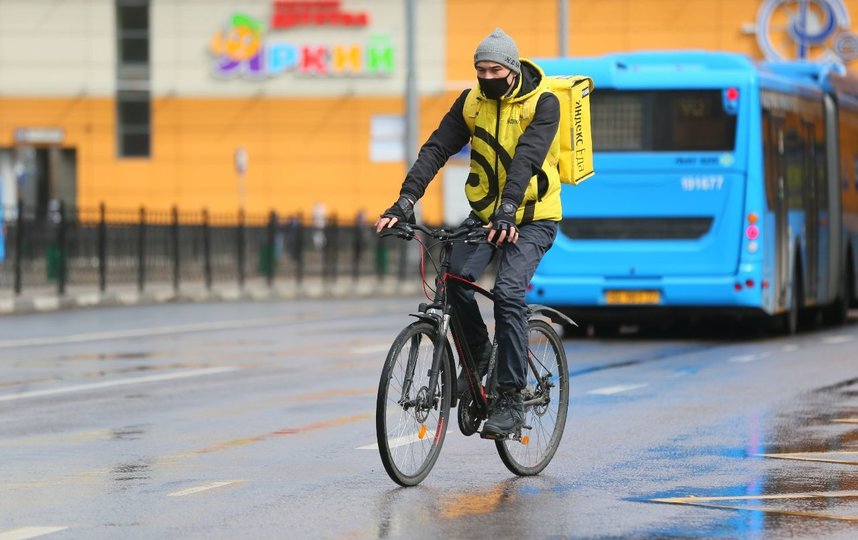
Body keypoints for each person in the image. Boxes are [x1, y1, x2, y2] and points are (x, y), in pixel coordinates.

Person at [375, 28, 562, 437]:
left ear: (512, 70)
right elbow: (437, 148)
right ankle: (478, 357)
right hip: (486, 217)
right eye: (480, 69)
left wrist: (509, 211)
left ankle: (511, 397)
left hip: (531, 217)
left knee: (509, 292)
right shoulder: (471, 103)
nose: (487, 76)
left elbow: (527, 159)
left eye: (495, 69)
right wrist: (405, 201)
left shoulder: (542, 104)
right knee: (454, 277)